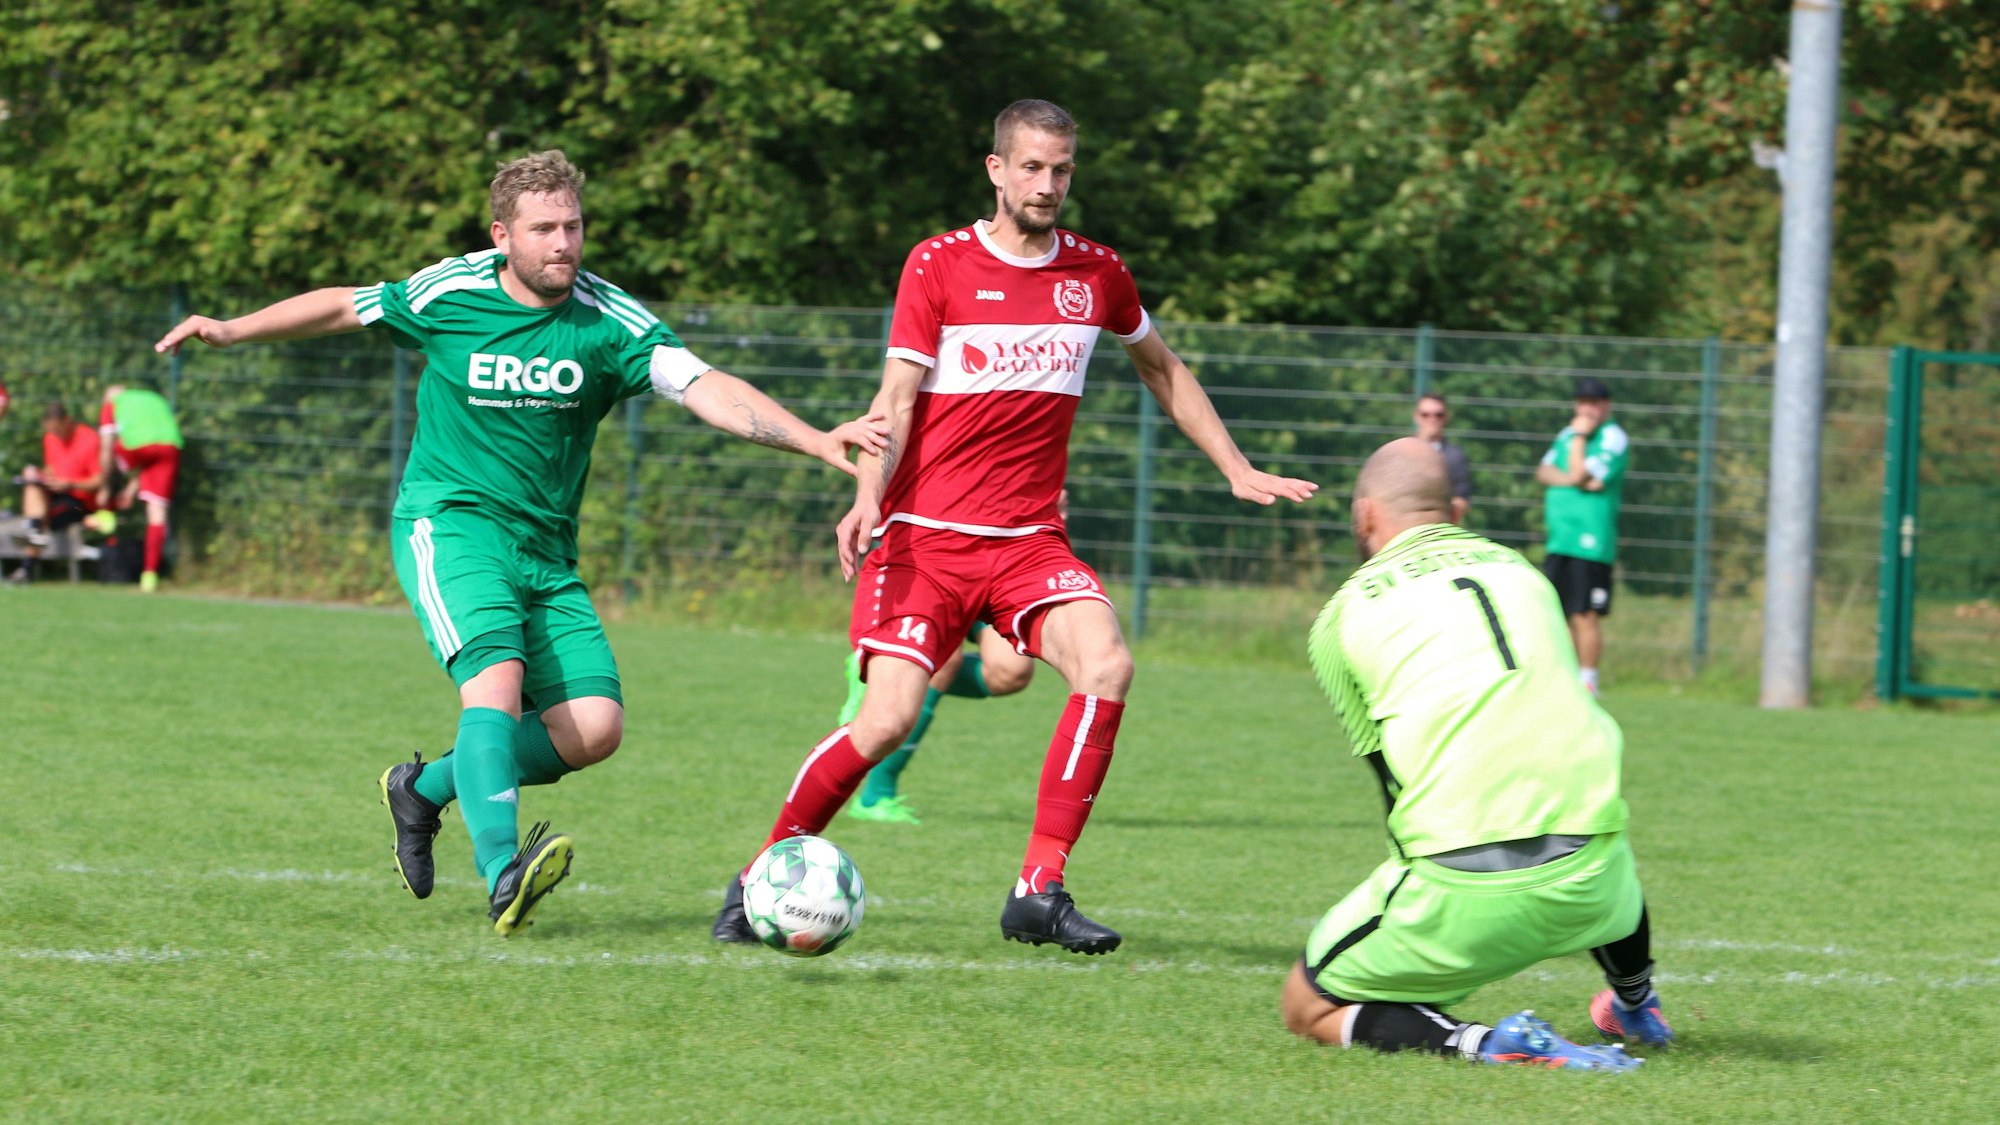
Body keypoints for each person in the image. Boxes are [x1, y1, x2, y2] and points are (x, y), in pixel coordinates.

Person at [154, 150, 885, 937]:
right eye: (544, 229)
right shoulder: (450, 293)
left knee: (595, 726)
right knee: (495, 686)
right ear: (503, 235)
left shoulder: (610, 321)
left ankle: (424, 788)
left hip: (545, 554)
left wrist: (815, 441)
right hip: (452, 524)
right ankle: (505, 873)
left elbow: (703, 385)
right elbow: (342, 307)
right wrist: (231, 329)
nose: (563, 243)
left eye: (573, 226)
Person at [712, 99, 1317, 954]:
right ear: (996, 170)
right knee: (884, 721)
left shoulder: (1098, 274)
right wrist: (865, 495)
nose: (1048, 184)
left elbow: (1161, 365)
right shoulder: (939, 265)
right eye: (1031, 167)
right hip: (926, 532)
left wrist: (1236, 465)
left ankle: (1039, 887)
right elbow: (895, 400)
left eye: (1062, 169)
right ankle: (756, 874)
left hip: (1030, 540)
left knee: (1106, 664)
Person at [1282, 437, 1670, 1070]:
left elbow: (1393, 785)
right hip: (1595, 881)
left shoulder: (1342, 614)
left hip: (1460, 884)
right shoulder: (1527, 574)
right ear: (1451, 511)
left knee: (1306, 1006)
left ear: (1365, 515)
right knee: (1603, 836)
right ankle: (1636, 1003)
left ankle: (1487, 1042)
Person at [840, 622, 1036, 825]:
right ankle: (876, 796)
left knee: (1011, 673)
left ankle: (885, 669)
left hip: (987, 589)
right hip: (941, 591)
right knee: (943, 659)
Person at [1533, 376, 1629, 695]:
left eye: (1593, 403)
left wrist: (1579, 441)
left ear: (1606, 405)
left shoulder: (1611, 437)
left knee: (1585, 613)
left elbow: (1577, 473)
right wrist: (1571, 479)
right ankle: (1569, 677)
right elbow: (1543, 472)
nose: (1587, 409)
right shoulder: (1568, 433)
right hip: (1560, 537)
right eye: (1582, 402)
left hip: (1590, 540)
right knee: (1561, 613)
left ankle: (1589, 680)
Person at [95, 384, 184, 593]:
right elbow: (151, 452)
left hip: (138, 448)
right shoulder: (155, 399)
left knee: (111, 457)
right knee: (157, 514)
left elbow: (107, 448)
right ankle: (150, 576)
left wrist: (103, 489)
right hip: (170, 447)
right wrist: (131, 489)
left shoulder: (113, 404)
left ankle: (106, 512)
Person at [7, 403, 104, 584]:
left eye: (57, 429)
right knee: (32, 487)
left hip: (79, 503)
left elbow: (99, 481)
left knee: (39, 519)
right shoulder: (50, 438)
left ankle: (27, 560)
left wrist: (70, 484)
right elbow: (52, 467)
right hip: (55, 496)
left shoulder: (90, 439)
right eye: (51, 430)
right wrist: (39, 476)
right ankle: (30, 547)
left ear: (67, 421)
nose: (55, 434)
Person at [1412, 392, 1472, 525]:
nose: (1432, 419)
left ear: (1446, 417)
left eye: (1438, 415)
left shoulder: (1455, 457)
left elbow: (1462, 500)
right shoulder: (1402, 452)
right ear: (1416, 417)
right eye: (1425, 414)